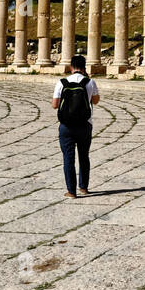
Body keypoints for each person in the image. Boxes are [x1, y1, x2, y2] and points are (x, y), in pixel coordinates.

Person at [51, 54, 99, 197]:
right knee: (84, 156)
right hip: (85, 124)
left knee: (68, 158)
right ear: (84, 68)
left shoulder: (62, 82)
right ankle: (83, 187)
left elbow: (54, 105)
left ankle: (71, 191)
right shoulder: (90, 82)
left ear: (71, 67)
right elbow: (95, 101)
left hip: (66, 126)